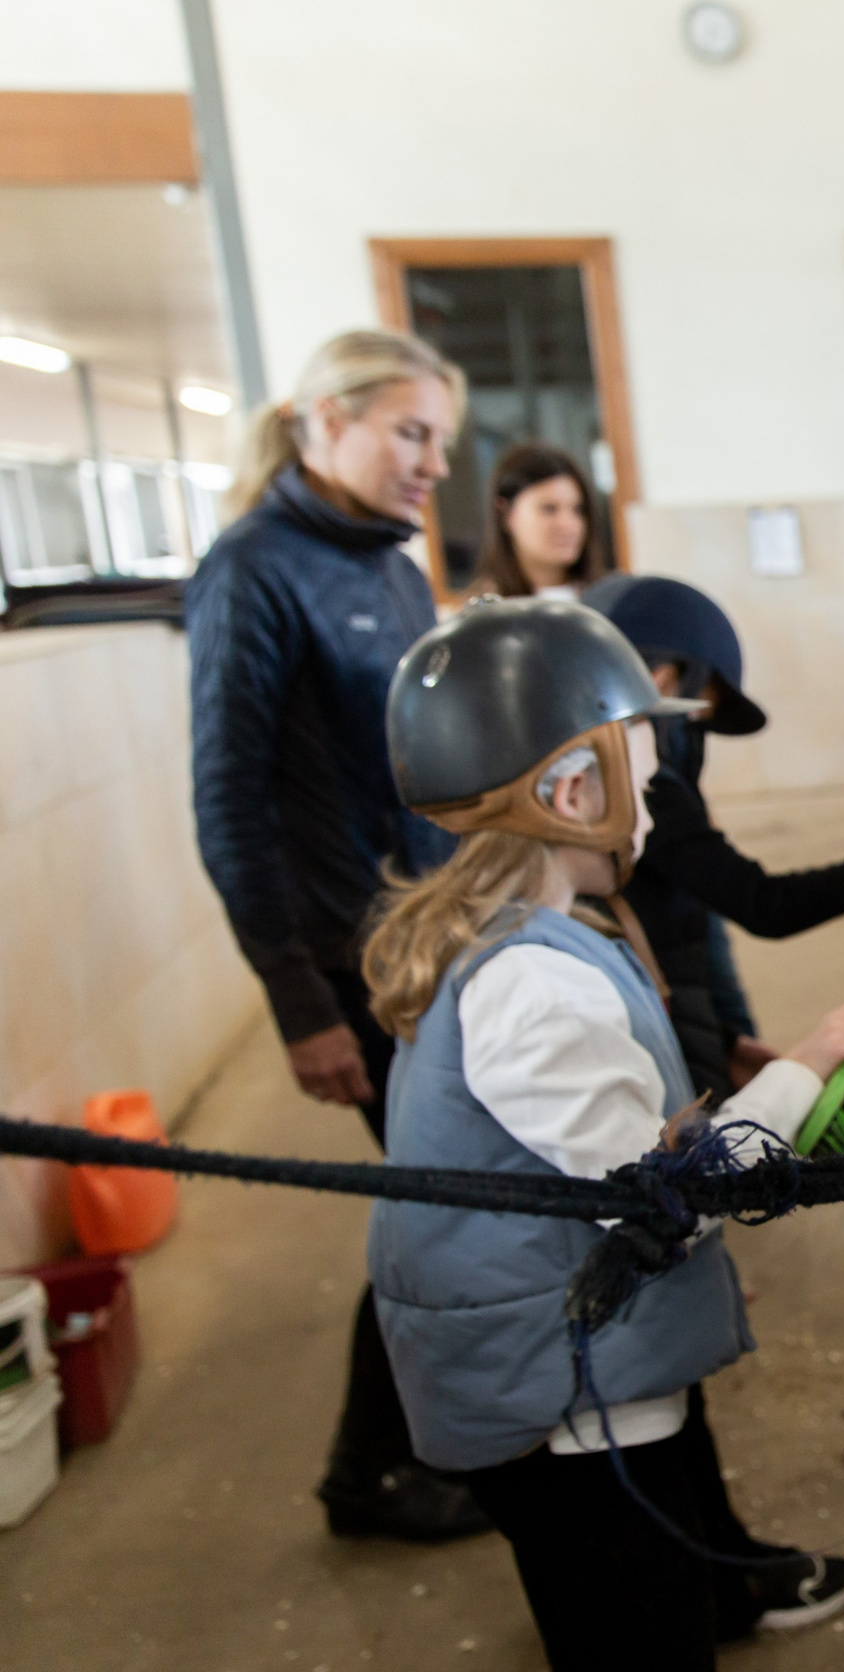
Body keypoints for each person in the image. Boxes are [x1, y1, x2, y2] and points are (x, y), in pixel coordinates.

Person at [366, 598, 844, 1672]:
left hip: (560, 1378)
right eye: (645, 779)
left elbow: (604, 1149)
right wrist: (810, 1061)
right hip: (563, 1410)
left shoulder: (526, 941)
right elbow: (670, 1202)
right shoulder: (536, 983)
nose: (656, 807)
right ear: (572, 792)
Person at [185, 327, 488, 1542]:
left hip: (420, 938)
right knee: (440, 1197)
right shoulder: (252, 569)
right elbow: (229, 797)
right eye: (409, 433)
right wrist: (298, 1001)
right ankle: (371, 1471)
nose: (430, 464)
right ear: (323, 419)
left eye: (442, 443)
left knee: (445, 1195)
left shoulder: (390, 566)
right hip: (345, 956)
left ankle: (392, 1454)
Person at [585, 574, 844, 1099]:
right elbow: (764, 903)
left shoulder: (619, 788)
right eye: (698, 712)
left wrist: (720, 1042)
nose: (693, 734)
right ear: (661, 681)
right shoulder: (646, 792)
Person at [463, 441, 610, 600]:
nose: (568, 524)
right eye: (549, 509)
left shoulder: (611, 600)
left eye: (578, 510)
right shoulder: (483, 609)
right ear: (505, 514)